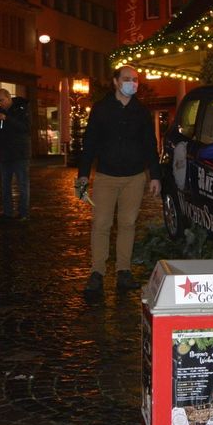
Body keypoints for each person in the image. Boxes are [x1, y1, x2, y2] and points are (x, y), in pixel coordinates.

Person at [74, 66, 160, 298]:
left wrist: (155, 176)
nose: (132, 83)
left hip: (134, 177)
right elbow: (89, 142)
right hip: (106, 176)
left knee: (128, 224)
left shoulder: (141, 111)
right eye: (127, 79)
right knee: (101, 224)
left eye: (135, 80)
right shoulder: (101, 109)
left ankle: (124, 271)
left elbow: (150, 145)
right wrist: (83, 174)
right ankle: (97, 273)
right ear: (115, 81)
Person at [0, 88, 31, 220]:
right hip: (5, 154)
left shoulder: (21, 108)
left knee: (22, 185)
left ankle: (24, 212)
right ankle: (7, 212)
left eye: (2, 100)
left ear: (8, 97)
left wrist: (7, 118)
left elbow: (25, 128)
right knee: (5, 186)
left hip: (20, 154)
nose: (0, 103)